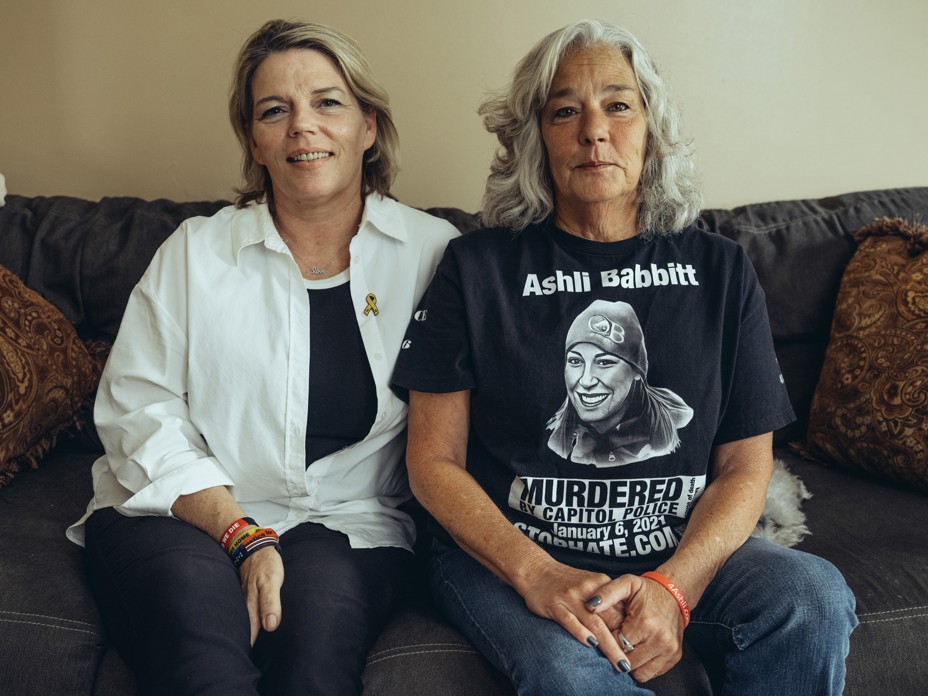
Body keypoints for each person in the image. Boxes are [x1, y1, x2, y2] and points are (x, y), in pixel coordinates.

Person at [392, 19, 856, 695]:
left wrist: (675, 584)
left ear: (651, 128)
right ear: (535, 137)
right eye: (564, 111)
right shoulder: (475, 268)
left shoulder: (720, 269)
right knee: (572, 673)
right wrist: (535, 572)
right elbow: (432, 463)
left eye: (618, 104)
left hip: (678, 548)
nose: (593, 131)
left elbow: (745, 465)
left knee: (811, 599)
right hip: (513, 557)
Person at [66, 19, 458, 696]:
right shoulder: (195, 252)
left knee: (313, 663)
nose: (302, 126)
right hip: (180, 512)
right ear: (255, 140)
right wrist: (241, 534)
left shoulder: (435, 255)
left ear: (369, 125)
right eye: (275, 111)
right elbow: (139, 409)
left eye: (327, 103)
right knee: (202, 660)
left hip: (348, 525)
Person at [546, 298, 693, 466]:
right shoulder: (558, 437)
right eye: (575, 361)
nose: (586, 380)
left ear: (637, 372)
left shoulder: (669, 433)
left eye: (604, 363)